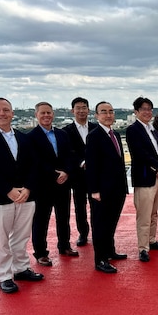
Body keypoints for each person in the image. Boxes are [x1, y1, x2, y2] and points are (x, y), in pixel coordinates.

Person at [0, 98, 44, 293]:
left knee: (21, 236)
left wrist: (28, 188)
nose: (2, 113)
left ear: (12, 113)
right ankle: (4, 276)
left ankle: (20, 269)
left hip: (25, 195)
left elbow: (33, 165)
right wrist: (8, 189)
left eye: (6, 110)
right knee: (0, 240)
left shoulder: (24, 138)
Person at [28, 101, 78, 267]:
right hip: (43, 186)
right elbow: (35, 161)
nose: (46, 116)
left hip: (63, 183)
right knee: (41, 220)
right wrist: (55, 173)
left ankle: (64, 246)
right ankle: (41, 253)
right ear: (36, 115)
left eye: (49, 112)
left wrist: (66, 172)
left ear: (53, 114)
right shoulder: (31, 137)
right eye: (42, 113)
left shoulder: (62, 134)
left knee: (63, 218)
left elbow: (70, 155)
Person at [86, 101, 129, 273]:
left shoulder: (115, 134)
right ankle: (101, 259)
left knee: (111, 223)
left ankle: (110, 251)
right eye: (103, 112)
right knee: (100, 225)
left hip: (117, 189)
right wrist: (94, 190)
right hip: (101, 191)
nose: (108, 114)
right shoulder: (94, 136)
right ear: (96, 116)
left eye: (111, 111)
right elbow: (91, 164)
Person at [126, 97, 158, 262]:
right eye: (144, 109)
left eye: (150, 109)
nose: (147, 112)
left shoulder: (152, 129)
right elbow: (140, 154)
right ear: (136, 112)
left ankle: (151, 240)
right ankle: (143, 248)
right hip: (145, 178)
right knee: (144, 216)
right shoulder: (133, 130)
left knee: (153, 213)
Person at [63, 97, 99, 247]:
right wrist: (82, 162)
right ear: (73, 111)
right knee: (80, 206)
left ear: (88, 110)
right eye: (78, 108)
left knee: (97, 205)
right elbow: (68, 152)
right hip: (77, 175)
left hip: (95, 175)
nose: (81, 110)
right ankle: (83, 233)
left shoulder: (97, 128)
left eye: (84, 107)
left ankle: (97, 233)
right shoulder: (66, 131)